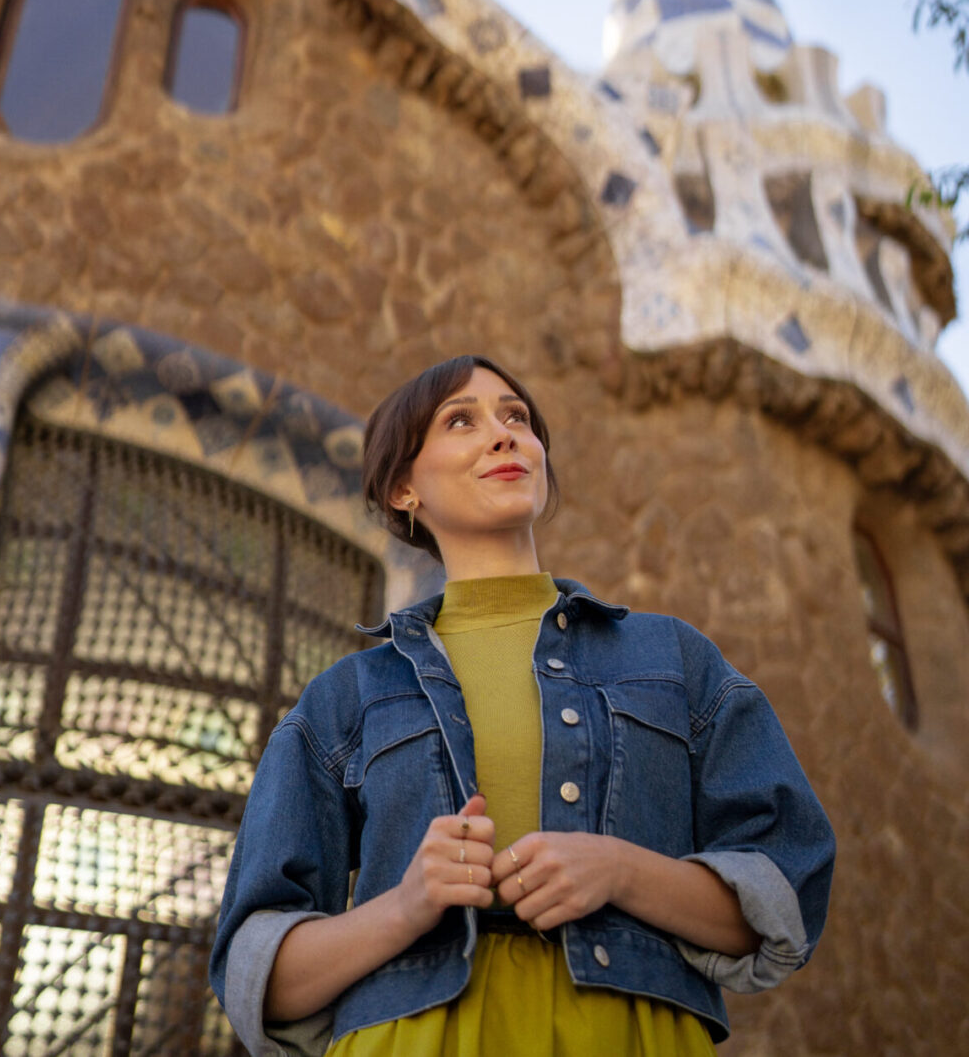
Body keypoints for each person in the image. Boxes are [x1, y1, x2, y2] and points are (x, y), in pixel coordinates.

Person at [211, 356, 835, 1056]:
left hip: (631, 1036)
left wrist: (620, 870)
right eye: (461, 420)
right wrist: (408, 904)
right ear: (403, 489)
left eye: (517, 417)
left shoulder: (673, 659)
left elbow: (788, 888)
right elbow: (257, 976)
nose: (505, 434)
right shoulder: (344, 698)